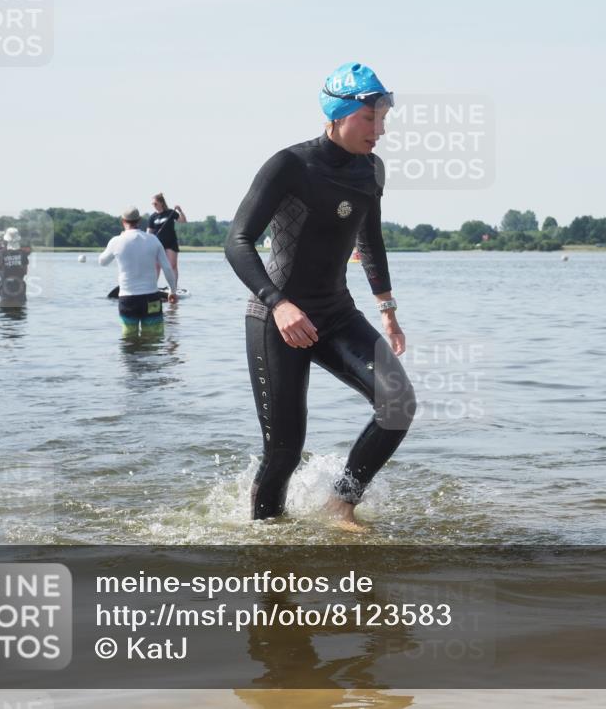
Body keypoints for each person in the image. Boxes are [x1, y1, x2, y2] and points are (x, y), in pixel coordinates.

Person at [225, 62, 416, 529]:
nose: (380, 129)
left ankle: (341, 503)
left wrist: (387, 310)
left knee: (397, 403)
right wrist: (279, 303)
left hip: (335, 314)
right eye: (369, 118)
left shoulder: (372, 170)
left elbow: (370, 240)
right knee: (284, 450)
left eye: (383, 118)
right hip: (277, 319)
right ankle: (265, 538)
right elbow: (237, 241)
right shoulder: (290, 165)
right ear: (337, 114)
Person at [101, 206, 178, 335]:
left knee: (129, 339)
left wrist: (113, 245)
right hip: (151, 298)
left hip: (127, 300)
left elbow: (102, 262)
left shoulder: (116, 241)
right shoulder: (153, 240)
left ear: (122, 221)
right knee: (154, 338)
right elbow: (167, 268)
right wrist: (173, 291)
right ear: (139, 220)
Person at [147, 193, 187, 285]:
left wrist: (180, 211)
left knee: (172, 266)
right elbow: (149, 232)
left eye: (155, 203)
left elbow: (183, 221)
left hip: (170, 243)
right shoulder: (152, 217)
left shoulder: (170, 213)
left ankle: (173, 287)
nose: (154, 205)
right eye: (152, 204)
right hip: (157, 244)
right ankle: (153, 287)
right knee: (156, 266)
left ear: (161, 203)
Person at [0, 228, 30, 306]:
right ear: (18, 239)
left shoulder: (1, 253)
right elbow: (25, 272)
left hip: (5, 289)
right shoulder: (23, 253)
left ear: (6, 240)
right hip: (19, 289)